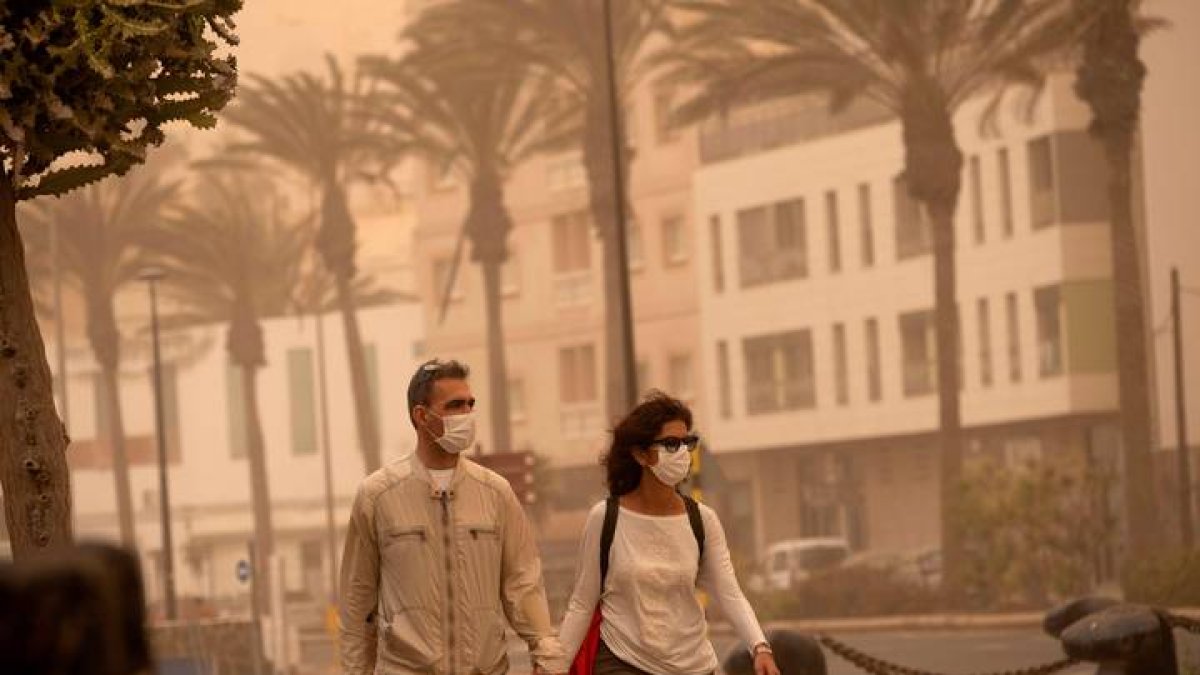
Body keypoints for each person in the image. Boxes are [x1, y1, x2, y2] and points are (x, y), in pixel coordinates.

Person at [339, 358, 567, 675]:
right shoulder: (377, 496)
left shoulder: (496, 493)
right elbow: (357, 599)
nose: (467, 415)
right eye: (455, 405)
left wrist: (546, 653)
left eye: (470, 405)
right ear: (421, 415)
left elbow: (524, 583)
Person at [559, 392, 781, 675]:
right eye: (670, 444)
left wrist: (760, 647)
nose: (682, 453)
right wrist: (556, 666)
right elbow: (582, 603)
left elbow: (729, 593)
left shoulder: (703, 521)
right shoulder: (605, 518)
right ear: (640, 454)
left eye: (687, 443)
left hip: (693, 665)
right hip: (622, 660)